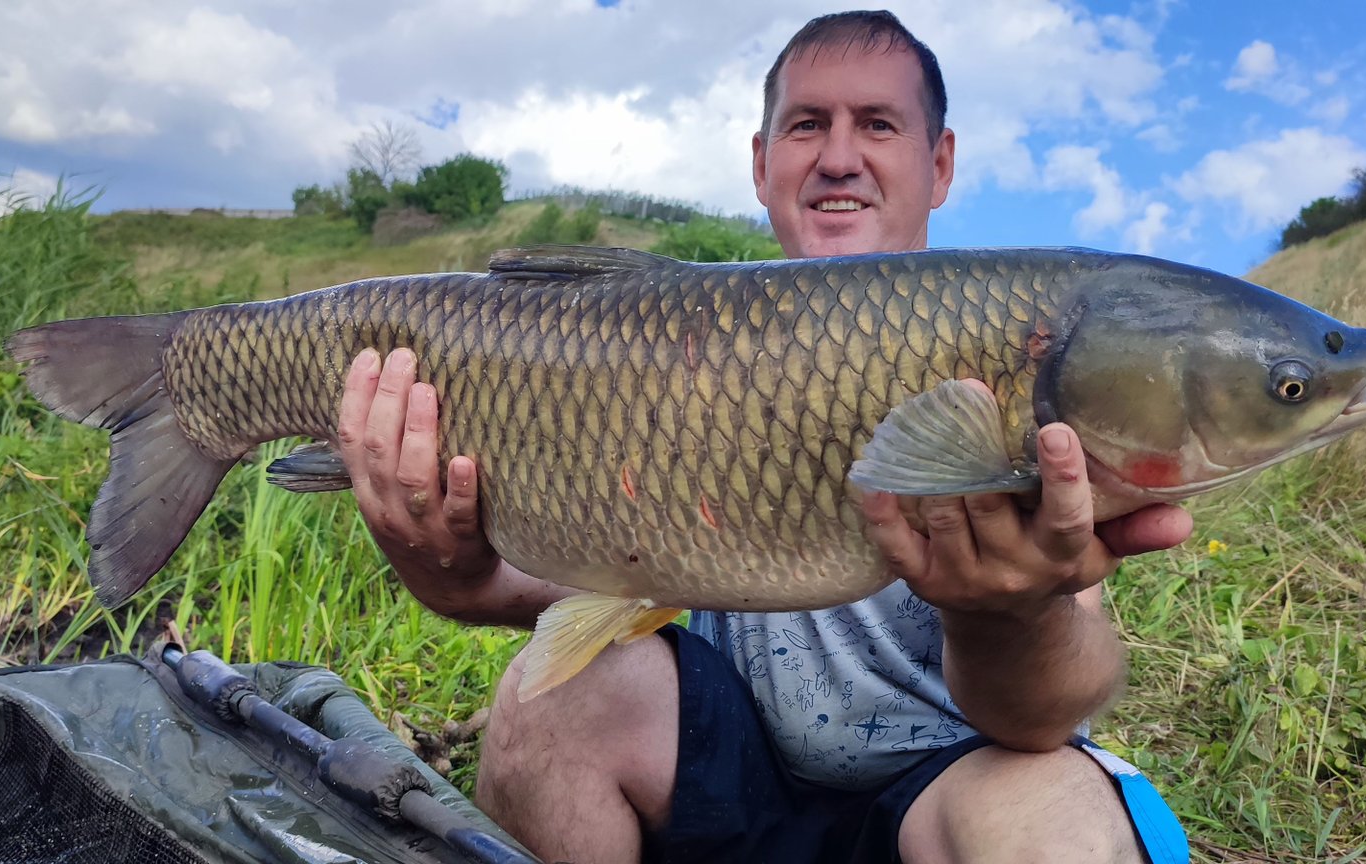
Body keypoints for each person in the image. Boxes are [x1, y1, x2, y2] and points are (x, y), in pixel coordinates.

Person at [333, 11, 1194, 864]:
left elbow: (1043, 716)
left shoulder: (1020, 346)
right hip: (719, 770)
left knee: (1063, 820)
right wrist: (451, 568)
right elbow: (547, 598)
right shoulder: (678, 345)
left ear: (939, 165)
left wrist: (1004, 609)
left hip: (949, 785)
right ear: (762, 161)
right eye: (807, 124)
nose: (839, 156)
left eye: (879, 124)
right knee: (546, 703)